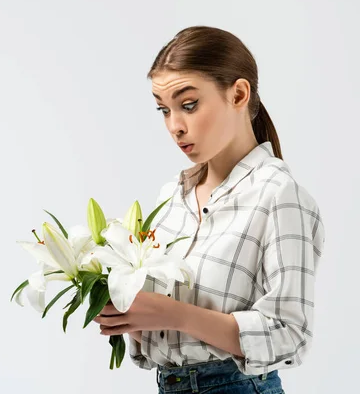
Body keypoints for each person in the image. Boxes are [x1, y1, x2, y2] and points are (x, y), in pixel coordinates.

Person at [103, 26, 325, 394]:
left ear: (238, 94)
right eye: (163, 109)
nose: (175, 126)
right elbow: (158, 336)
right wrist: (127, 312)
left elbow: (291, 333)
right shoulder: (173, 197)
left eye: (188, 105)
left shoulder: (278, 194)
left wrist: (172, 314)